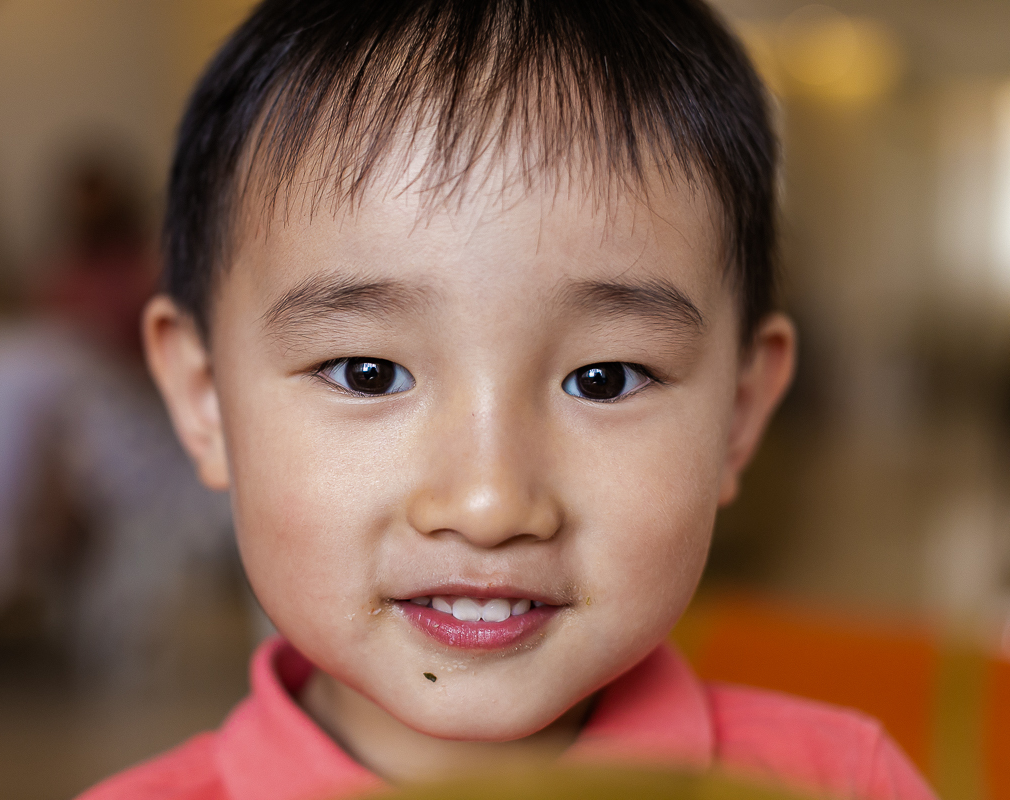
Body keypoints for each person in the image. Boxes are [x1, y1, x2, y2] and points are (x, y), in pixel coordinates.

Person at [80, 1, 936, 798]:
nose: (490, 504)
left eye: (603, 379)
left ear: (740, 415)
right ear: (205, 400)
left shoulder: (837, 783)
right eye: (367, 373)